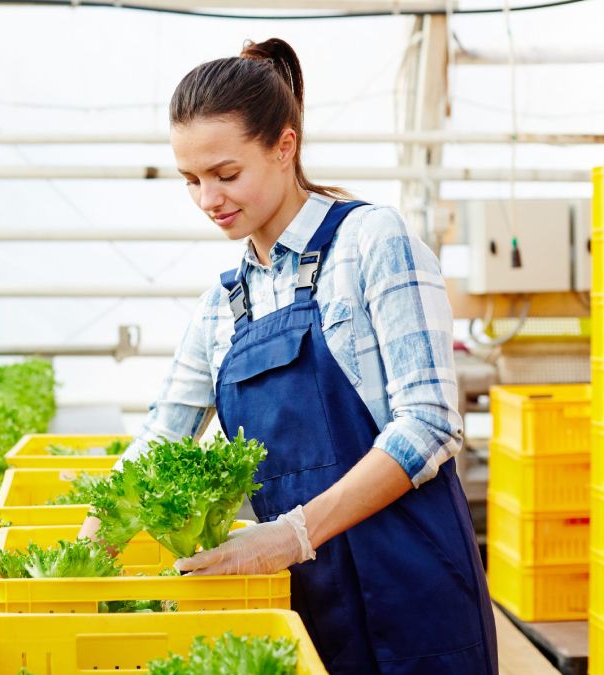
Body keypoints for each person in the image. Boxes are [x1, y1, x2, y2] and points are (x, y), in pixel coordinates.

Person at [78, 38, 497, 675]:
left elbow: (432, 422)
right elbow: (160, 442)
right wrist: (84, 548)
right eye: (190, 180)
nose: (207, 199)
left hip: (412, 582)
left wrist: (293, 533)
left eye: (226, 174)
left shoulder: (372, 241)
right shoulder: (221, 308)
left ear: (284, 146)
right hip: (299, 598)